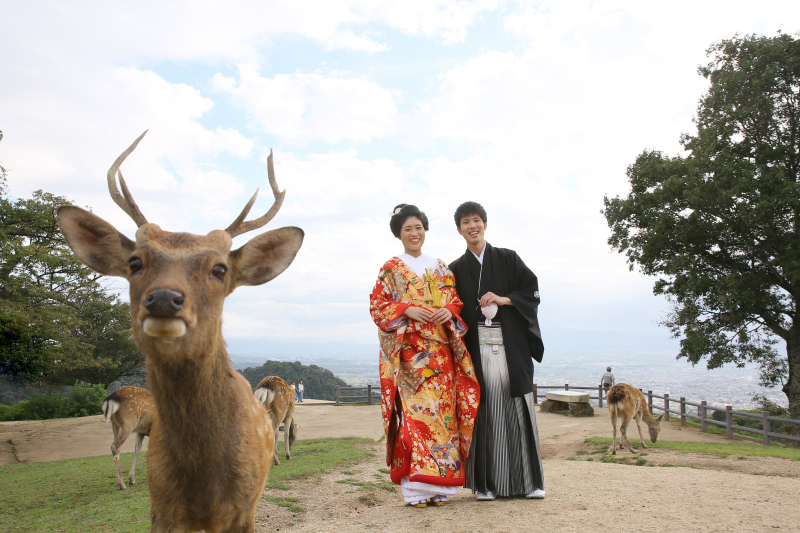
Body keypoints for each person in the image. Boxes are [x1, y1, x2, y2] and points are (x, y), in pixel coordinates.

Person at [369, 203, 480, 508]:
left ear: (425, 230)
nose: (414, 233)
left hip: (441, 356)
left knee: (443, 419)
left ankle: (440, 487)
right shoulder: (391, 268)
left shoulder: (440, 266)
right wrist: (406, 310)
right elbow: (379, 306)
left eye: (418, 227)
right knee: (415, 422)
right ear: (399, 234)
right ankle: (414, 489)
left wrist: (450, 310)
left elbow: (454, 300)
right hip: (410, 357)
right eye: (408, 229)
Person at [448, 201, 545, 501]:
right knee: (485, 412)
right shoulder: (455, 269)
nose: (472, 226)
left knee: (519, 411)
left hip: (510, 345)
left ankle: (530, 483)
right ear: (460, 229)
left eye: (477, 220)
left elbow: (532, 291)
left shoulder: (508, 258)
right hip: (477, 350)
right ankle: (486, 485)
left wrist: (503, 300)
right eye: (466, 222)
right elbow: (452, 309)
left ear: (485, 224)